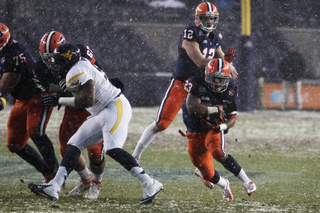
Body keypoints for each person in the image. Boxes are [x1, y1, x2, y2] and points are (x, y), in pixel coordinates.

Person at [28, 44, 163, 204]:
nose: (54, 65)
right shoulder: (78, 65)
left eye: (57, 61)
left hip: (114, 106)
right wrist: (63, 93)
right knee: (74, 144)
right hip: (102, 111)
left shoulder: (75, 71)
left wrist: (59, 99)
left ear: (67, 60)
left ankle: (150, 183)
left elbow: (87, 99)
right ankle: (54, 186)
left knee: (112, 149)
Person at [132, 2, 237, 162]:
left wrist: (228, 64)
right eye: (205, 18)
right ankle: (136, 155)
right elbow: (200, 61)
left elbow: (222, 58)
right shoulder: (190, 33)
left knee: (210, 125)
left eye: (212, 19)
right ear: (197, 18)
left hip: (203, 86)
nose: (209, 22)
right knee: (162, 123)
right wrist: (224, 64)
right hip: (182, 82)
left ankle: (204, 166)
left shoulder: (215, 36)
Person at [34, 31, 108, 199]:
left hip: (92, 106)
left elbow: (98, 76)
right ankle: (86, 180)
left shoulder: (81, 52)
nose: (51, 63)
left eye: (54, 57)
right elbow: (47, 88)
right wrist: (60, 91)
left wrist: (65, 89)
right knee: (66, 147)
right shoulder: (40, 67)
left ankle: (96, 184)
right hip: (73, 105)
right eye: (47, 58)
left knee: (95, 152)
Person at [182, 58, 257, 200]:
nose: (217, 83)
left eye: (221, 79)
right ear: (206, 76)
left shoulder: (230, 90)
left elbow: (232, 118)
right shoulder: (197, 83)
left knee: (218, 152)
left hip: (213, 127)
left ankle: (248, 182)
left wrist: (222, 126)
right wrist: (213, 110)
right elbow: (192, 108)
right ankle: (224, 185)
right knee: (206, 171)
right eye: (214, 79)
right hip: (195, 129)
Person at [0, 23, 59, 182]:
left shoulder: (15, 54)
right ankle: (47, 172)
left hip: (38, 96)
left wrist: (2, 96)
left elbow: (6, 85)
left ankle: (56, 176)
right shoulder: (6, 52)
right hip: (21, 99)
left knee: (36, 132)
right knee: (14, 145)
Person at [278, 43, 306, 110]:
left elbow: (303, 67)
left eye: (293, 47)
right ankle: (285, 106)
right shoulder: (286, 56)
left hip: (296, 78)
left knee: (297, 94)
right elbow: (281, 66)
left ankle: (298, 107)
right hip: (287, 77)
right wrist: (284, 75)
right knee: (286, 93)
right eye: (291, 47)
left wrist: (299, 75)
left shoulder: (298, 56)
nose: (292, 48)